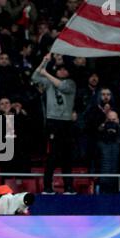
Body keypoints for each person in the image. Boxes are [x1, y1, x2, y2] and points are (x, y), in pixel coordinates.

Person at [32, 53, 77, 195]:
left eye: (64, 69)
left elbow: (62, 87)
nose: (62, 71)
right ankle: (47, 187)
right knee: (53, 155)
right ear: (56, 71)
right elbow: (35, 77)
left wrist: (46, 73)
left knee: (67, 156)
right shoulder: (49, 82)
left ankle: (69, 187)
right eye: (60, 69)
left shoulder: (71, 83)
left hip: (66, 122)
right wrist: (43, 62)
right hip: (53, 122)